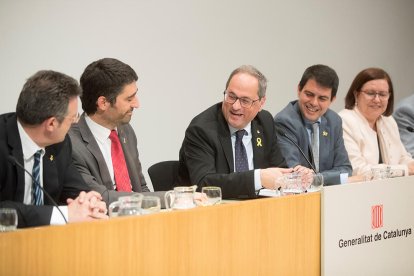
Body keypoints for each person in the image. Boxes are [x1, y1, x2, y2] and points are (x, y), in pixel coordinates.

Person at [177, 65, 309, 199]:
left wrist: (295, 176)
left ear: (261, 103)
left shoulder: (264, 122)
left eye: (245, 100)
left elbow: (277, 169)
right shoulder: (201, 130)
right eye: (231, 96)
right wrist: (258, 178)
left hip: (257, 209)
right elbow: (203, 184)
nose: (235, 106)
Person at [0, 70, 108, 228]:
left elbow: (75, 189)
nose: (75, 123)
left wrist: (90, 203)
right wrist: (65, 215)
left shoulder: (59, 143)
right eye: (72, 118)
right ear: (51, 124)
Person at [69, 58, 165, 205]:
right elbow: (102, 198)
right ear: (103, 103)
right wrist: (171, 198)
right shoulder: (71, 145)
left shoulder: (125, 130)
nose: (137, 104)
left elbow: (140, 188)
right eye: (129, 99)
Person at [274, 64, 352, 185]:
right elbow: (294, 174)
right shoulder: (284, 122)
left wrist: (316, 178)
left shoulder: (334, 121)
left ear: (332, 99)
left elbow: (345, 170)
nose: (314, 103)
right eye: (309, 94)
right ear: (299, 90)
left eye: (322, 98)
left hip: (330, 196)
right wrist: (331, 177)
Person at [339, 67, 414, 176]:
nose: (377, 100)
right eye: (370, 93)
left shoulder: (388, 121)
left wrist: (411, 164)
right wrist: (405, 170)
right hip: (359, 190)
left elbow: (403, 157)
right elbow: (357, 169)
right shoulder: (344, 121)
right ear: (356, 94)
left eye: (383, 94)